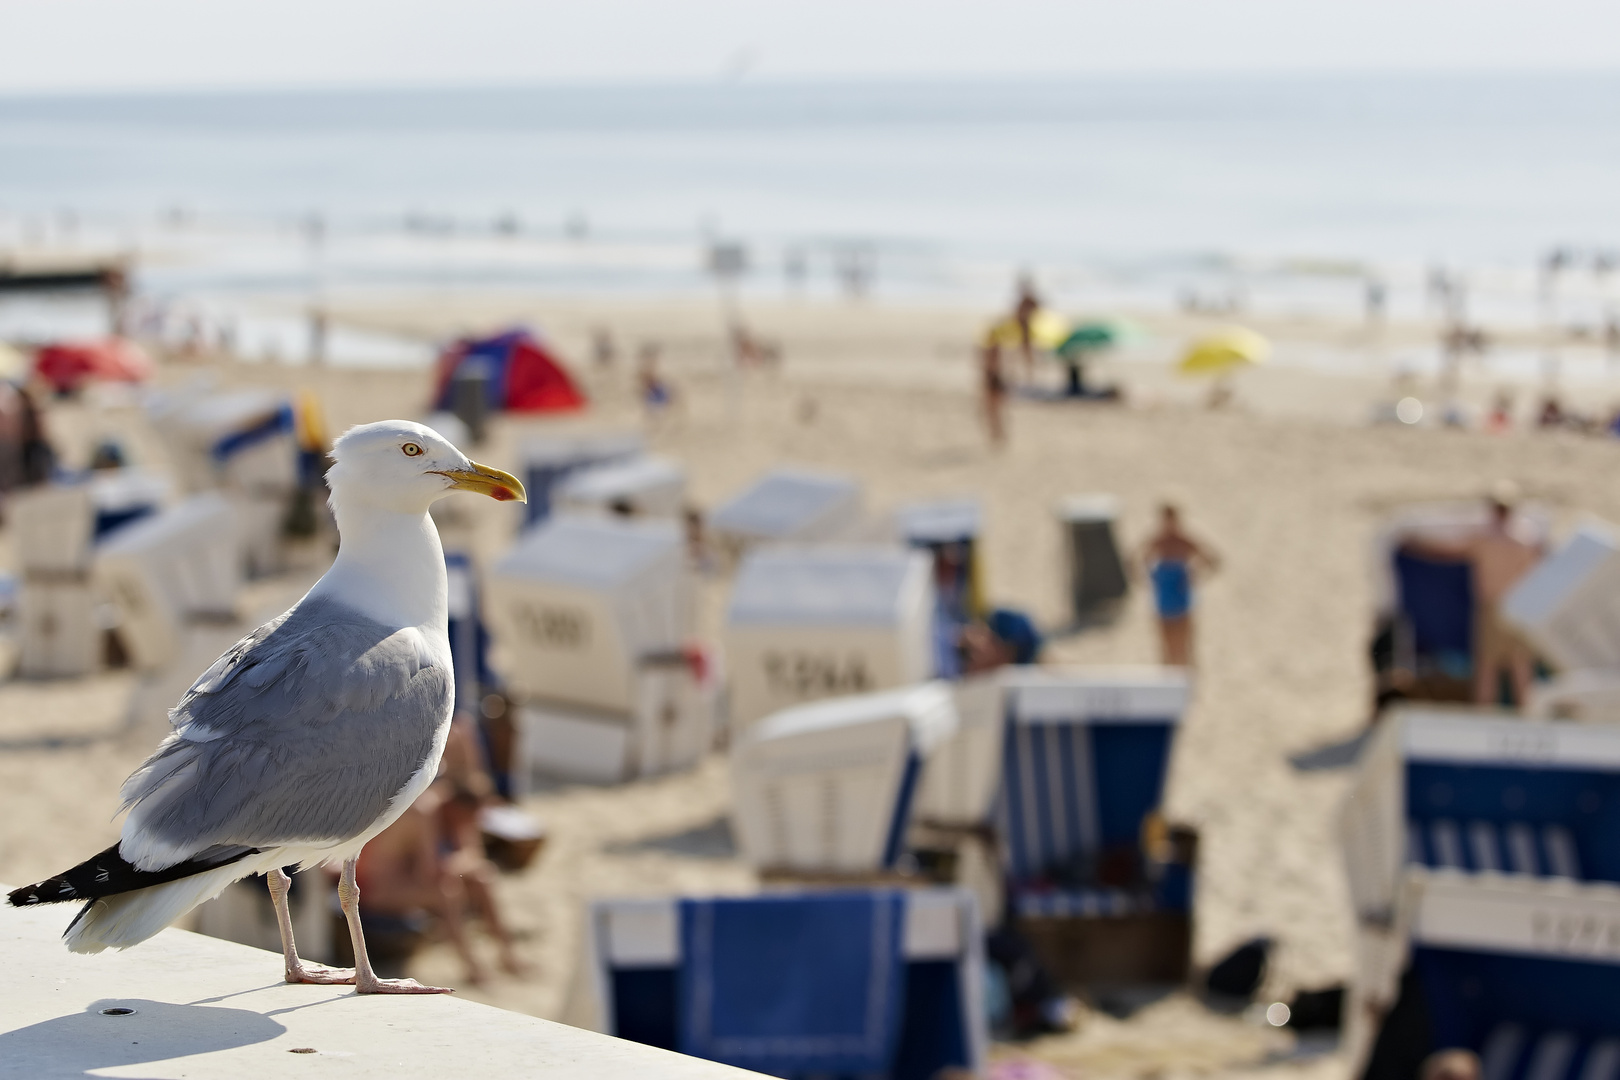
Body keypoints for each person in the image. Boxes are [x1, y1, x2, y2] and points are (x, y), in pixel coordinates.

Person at [1401, 483, 1542, 707]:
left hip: (1492, 606)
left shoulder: (1485, 538)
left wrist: (1413, 545)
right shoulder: (1527, 540)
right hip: (1520, 606)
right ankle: (1526, 713)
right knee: (1520, 664)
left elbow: (1446, 551)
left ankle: (1485, 713)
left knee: (1488, 664)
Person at [1141, 502, 1220, 667]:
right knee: (1165, 647)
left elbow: (1213, 561)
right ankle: (1168, 686)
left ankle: (1187, 686)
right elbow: (1137, 560)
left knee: (1185, 647)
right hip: (1163, 598)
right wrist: (1150, 578)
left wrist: (1195, 575)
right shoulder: (1157, 540)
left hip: (1181, 597)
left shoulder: (1184, 540)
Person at [980, 341, 1007, 447]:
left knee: (992, 410)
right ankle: (997, 433)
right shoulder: (997, 350)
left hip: (993, 380)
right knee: (994, 411)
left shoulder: (991, 350)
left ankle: (996, 434)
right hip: (994, 379)